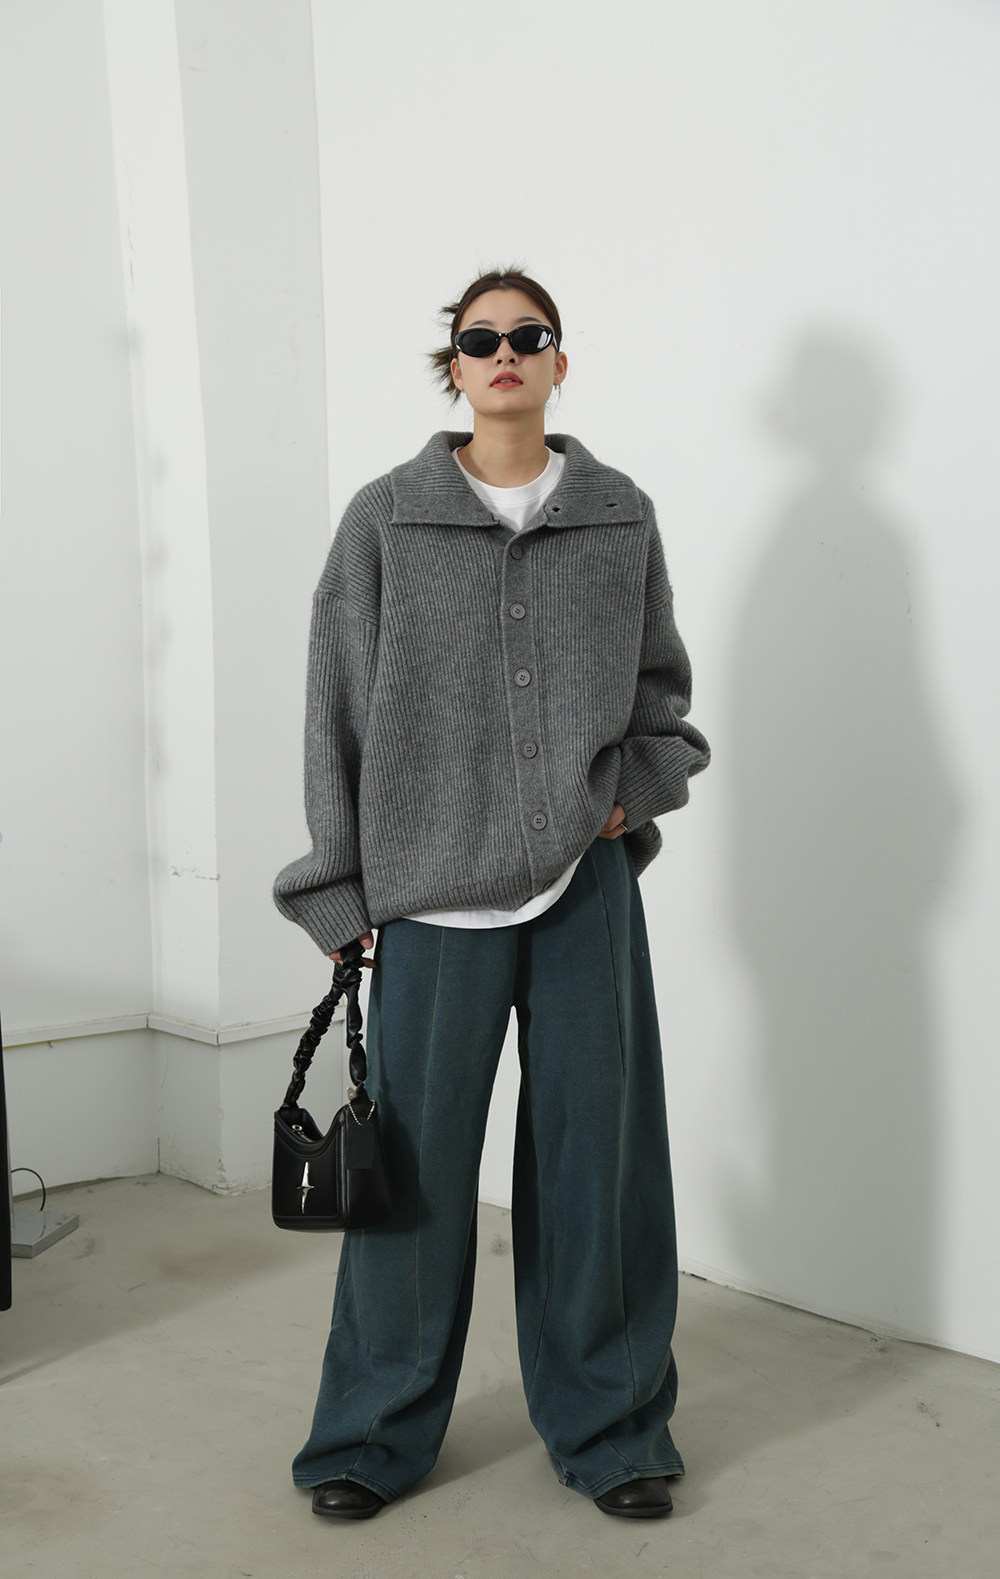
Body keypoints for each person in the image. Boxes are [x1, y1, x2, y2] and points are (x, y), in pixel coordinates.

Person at [273, 266, 710, 1522]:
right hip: (429, 900)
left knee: (600, 1171)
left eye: (529, 334)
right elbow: (335, 709)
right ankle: (370, 1432)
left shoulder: (619, 514)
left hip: (585, 891)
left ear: (560, 361)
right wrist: (339, 891)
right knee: (407, 1181)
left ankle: (615, 1428)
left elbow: (662, 697)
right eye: (480, 338)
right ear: (453, 366)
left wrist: (630, 789)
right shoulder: (385, 520)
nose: (504, 352)